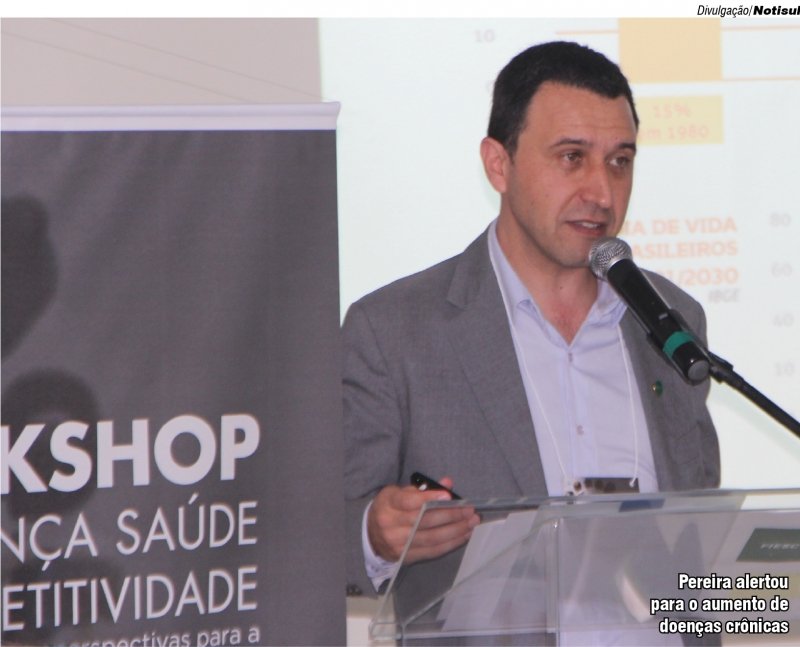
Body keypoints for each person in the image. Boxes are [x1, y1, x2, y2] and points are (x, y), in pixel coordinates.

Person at [342, 41, 720, 607]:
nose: (601, 192)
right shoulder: (393, 332)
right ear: (499, 164)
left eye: (620, 161)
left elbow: (697, 534)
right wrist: (374, 535)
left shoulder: (672, 322)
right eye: (572, 157)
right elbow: (316, 535)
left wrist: (744, 600)